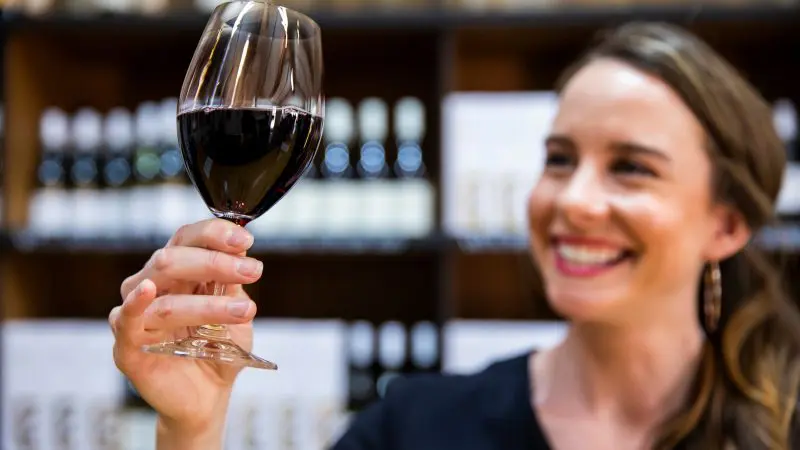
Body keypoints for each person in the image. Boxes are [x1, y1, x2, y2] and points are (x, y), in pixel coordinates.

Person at [109, 21, 800, 449]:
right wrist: (192, 426)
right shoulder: (416, 426)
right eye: (560, 159)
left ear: (727, 224)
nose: (573, 200)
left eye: (631, 168)